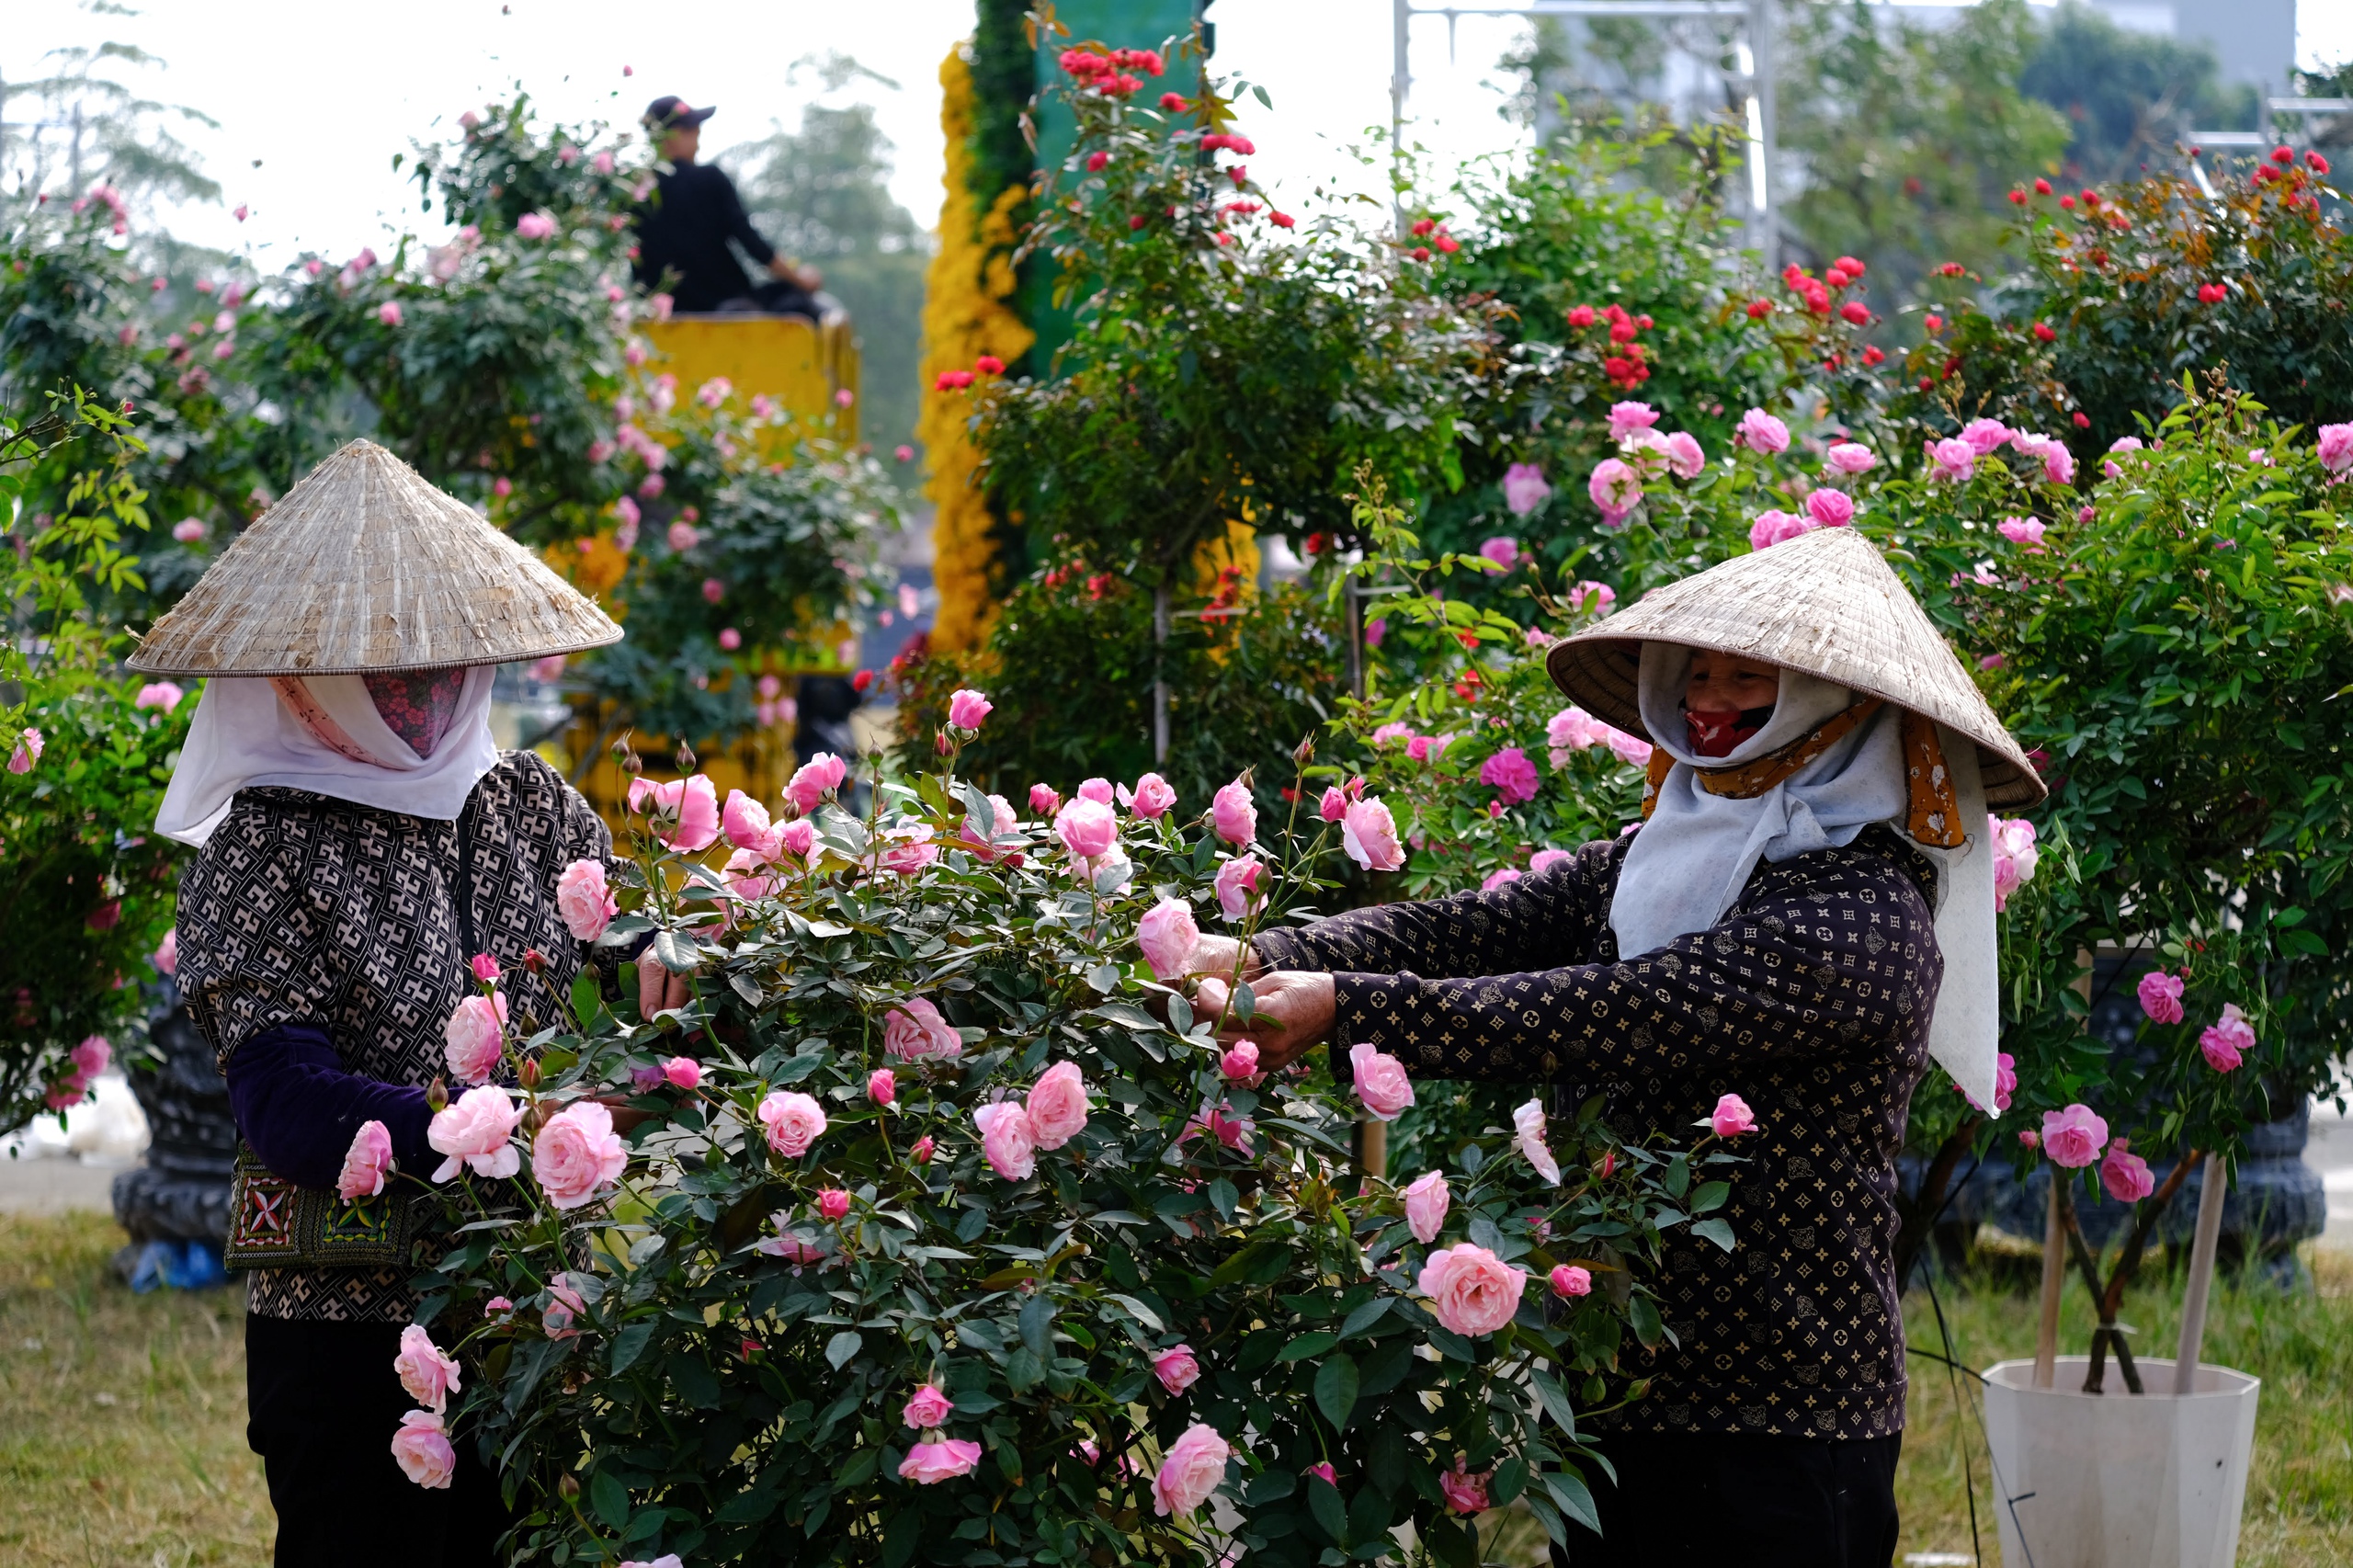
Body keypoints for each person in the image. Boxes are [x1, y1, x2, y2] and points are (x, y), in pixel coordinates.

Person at [1190, 527, 2044, 1567]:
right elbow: (1473, 928)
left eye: (1749, 677)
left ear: (1839, 711)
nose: (1710, 697)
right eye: (1696, 671)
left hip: (1780, 1411)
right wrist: (1265, 951)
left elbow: (1618, 1006)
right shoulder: (1656, 853)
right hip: (1616, 1384)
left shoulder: (1862, 915)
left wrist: (1353, 1007)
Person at [131, 438, 692, 1567]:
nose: (425, 688)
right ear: (295, 672)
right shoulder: (259, 848)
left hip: (531, 1297)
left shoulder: (530, 806)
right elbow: (281, 1099)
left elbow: (615, 974)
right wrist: (483, 1130)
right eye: (389, 664)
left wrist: (670, 984)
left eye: (445, 656)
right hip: (343, 1321)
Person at [633, 95, 824, 316]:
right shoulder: (709, 179)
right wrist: (801, 280)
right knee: (797, 302)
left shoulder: (634, 193)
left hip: (659, 316)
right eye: (694, 132)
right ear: (673, 135)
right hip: (728, 311)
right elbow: (750, 242)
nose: (698, 143)